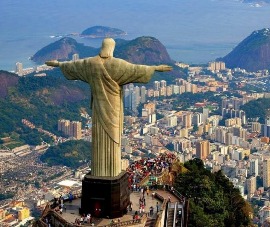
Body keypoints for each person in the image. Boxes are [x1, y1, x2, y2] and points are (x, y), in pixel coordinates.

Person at [46, 38, 172, 178]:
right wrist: (155, 68)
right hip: (113, 109)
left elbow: (73, 66)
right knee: (113, 139)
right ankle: (112, 172)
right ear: (112, 48)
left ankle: (99, 171)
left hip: (98, 108)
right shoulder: (117, 64)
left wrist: (58, 64)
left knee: (99, 138)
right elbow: (136, 69)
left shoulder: (90, 63)